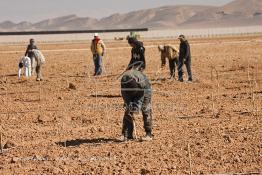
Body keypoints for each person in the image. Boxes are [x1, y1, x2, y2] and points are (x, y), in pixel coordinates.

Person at [120, 69, 153, 141]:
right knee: (128, 111)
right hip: (132, 90)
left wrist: (135, 109)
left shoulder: (141, 85)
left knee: (145, 109)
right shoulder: (124, 82)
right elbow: (125, 96)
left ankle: (148, 134)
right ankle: (126, 135)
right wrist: (129, 106)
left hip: (145, 89)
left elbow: (139, 99)